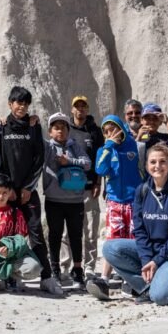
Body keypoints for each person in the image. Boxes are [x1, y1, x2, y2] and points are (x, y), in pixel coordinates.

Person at [88, 144, 168, 305]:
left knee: (162, 297)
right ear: (146, 165)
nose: (157, 166)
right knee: (110, 248)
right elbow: (139, 230)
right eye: (153, 162)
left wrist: (157, 260)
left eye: (163, 162)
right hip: (153, 250)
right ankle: (148, 287)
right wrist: (147, 258)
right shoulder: (142, 190)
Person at [0, 85, 63, 296]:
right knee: (7, 234)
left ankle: (47, 278)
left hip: (28, 193)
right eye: (17, 102)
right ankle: (9, 278)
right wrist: (8, 190)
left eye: (25, 103)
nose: (21, 106)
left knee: (36, 234)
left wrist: (27, 188)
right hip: (7, 194)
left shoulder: (33, 127)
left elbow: (39, 160)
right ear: (9, 104)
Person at [42, 113, 91, 289]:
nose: (60, 130)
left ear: (68, 130)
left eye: (63, 127)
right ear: (50, 131)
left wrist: (69, 160)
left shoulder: (74, 146)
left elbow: (87, 164)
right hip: (54, 200)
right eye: (56, 127)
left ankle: (77, 270)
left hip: (75, 200)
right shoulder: (47, 147)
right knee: (54, 235)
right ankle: (55, 270)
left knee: (76, 236)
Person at [93, 114, 142, 283]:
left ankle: (132, 278)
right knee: (113, 238)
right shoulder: (104, 149)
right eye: (106, 131)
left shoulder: (132, 145)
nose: (110, 133)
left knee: (134, 238)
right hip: (114, 201)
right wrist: (108, 147)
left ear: (120, 127)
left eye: (113, 129)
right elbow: (100, 170)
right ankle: (105, 278)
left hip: (134, 201)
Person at [62, 95, 105, 278]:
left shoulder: (94, 131)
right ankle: (65, 266)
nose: (80, 109)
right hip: (69, 187)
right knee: (67, 231)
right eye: (77, 106)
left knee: (90, 229)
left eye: (83, 106)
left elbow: (99, 159)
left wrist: (97, 182)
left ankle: (89, 266)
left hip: (88, 187)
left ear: (88, 109)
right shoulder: (65, 129)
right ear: (72, 109)